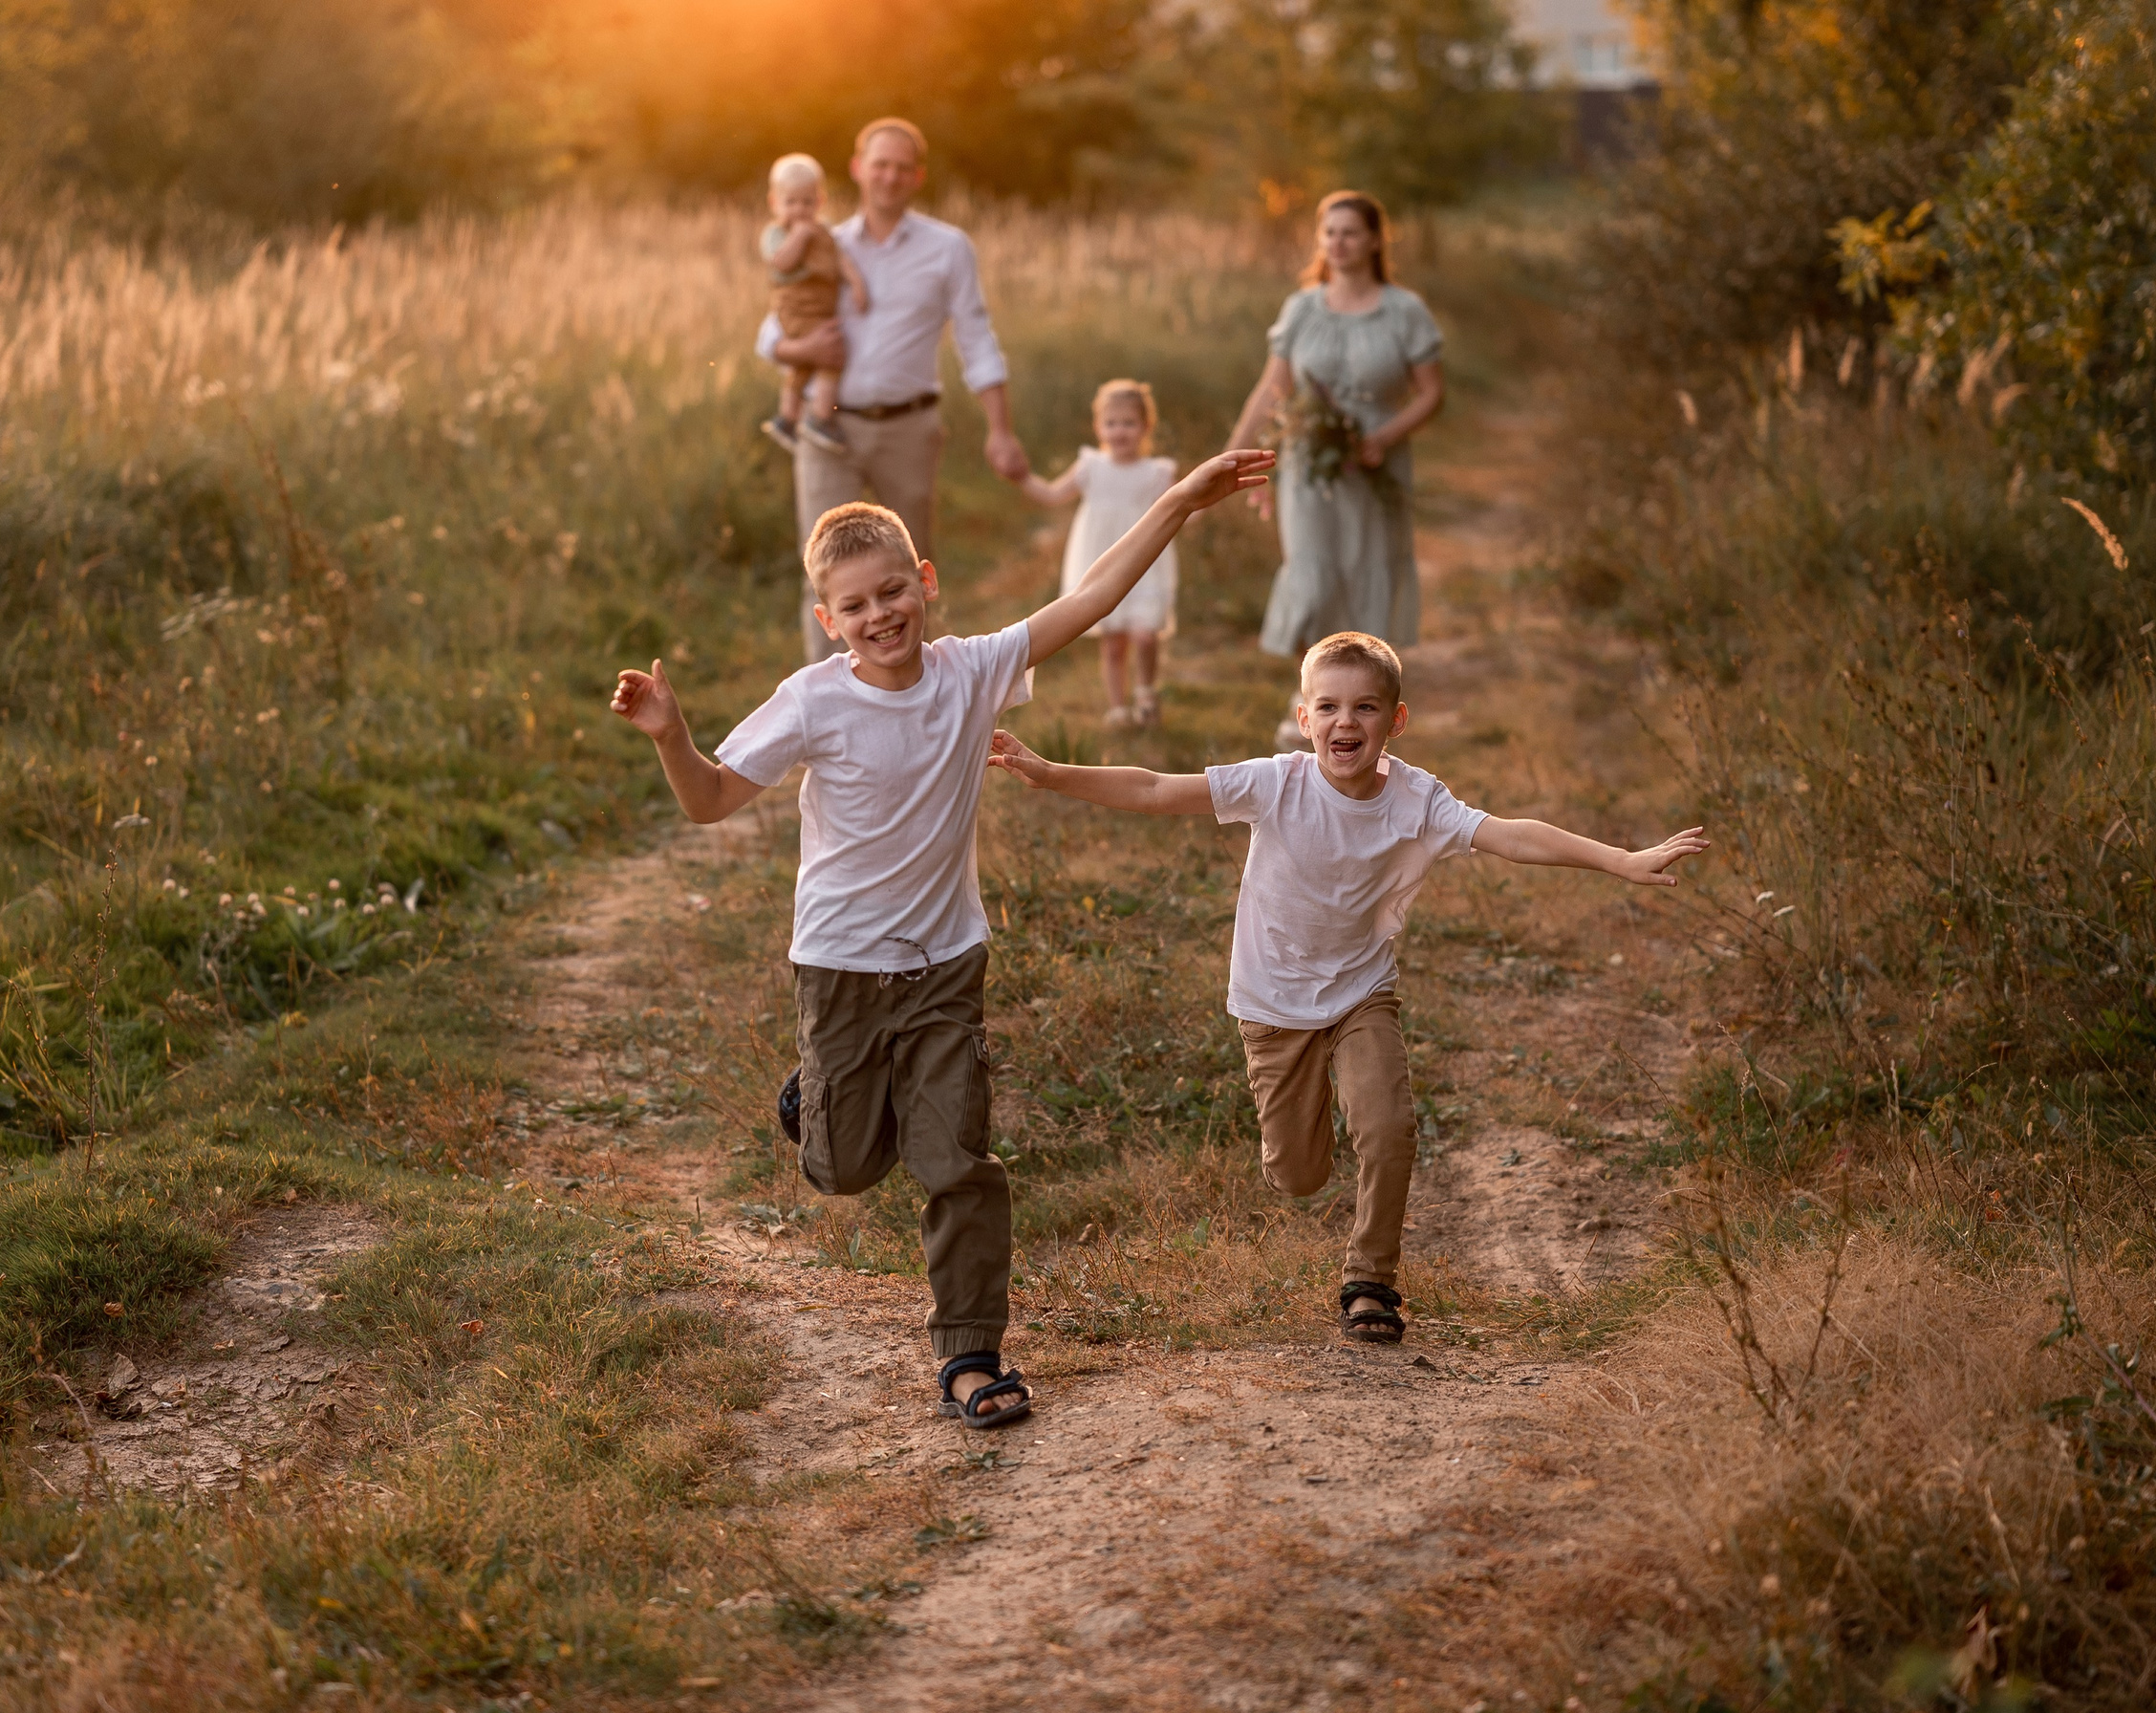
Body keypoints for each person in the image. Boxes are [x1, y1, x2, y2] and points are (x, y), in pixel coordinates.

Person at [610, 449, 1276, 1420]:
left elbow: (1090, 597)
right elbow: (711, 801)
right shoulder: (813, 699)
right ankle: (823, 1096)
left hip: (943, 966)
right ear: (826, 620)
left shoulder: (975, 670)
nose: (879, 615)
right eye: (855, 604)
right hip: (839, 970)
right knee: (844, 1171)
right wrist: (673, 735)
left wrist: (1177, 500)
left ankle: (971, 1356)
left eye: (893, 591)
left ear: (924, 584)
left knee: (958, 1162)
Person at [984, 631, 1708, 1344]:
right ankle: (1310, 1129)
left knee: (1388, 1128)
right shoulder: (1277, 784)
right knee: (1298, 1176)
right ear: (1304, 721)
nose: (1345, 722)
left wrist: (1619, 859)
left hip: (1362, 992)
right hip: (1273, 1006)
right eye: (1327, 707)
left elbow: (1512, 836)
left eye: (1365, 708)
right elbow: (1153, 787)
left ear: (1395, 721)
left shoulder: (1419, 801)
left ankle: (1370, 1280)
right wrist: (1050, 773)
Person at [756, 117, 1031, 662]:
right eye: (880, 165)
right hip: (827, 425)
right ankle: (830, 723)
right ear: (858, 170)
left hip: (910, 428)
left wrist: (1001, 430)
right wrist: (802, 353)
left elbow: (977, 340)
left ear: (917, 177)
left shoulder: (948, 248)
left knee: (908, 573)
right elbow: (771, 332)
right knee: (826, 574)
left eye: (902, 168)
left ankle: (911, 712)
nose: (890, 177)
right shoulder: (820, 241)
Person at [1225, 191, 1446, 748]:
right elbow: (1273, 390)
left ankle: (1365, 712)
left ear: (1374, 239)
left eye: (1350, 232)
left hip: (1376, 466)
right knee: (1313, 574)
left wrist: (1383, 437)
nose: (1338, 243)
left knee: (1364, 571)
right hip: (1309, 468)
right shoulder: (1302, 308)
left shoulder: (1404, 310)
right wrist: (1232, 456)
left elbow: (1431, 395)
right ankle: (1310, 703)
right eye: (1329, 233)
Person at [1018, 379, 1179, 729]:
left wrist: (1215, 491)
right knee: (1113, 643)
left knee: (1145, 635)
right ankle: (1118, 708)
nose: (1119, 431)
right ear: (1098, 427)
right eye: (1111, 423)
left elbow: (1185, 509)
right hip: (1101, 562)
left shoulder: (1157, 473)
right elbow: (1051, 493)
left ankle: (1146, 692)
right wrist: (1021, 477)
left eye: (1128, 423)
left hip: (1145, 564)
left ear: (1145, 427)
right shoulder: (1091, 467)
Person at [756, 153, 871, 456]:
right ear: (774, 203)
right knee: (831, 355)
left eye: (807, 202)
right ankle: (821, 417)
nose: (799, 209)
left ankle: (788, 419)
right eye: (791, 202)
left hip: (822, 307)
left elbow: (839, 259)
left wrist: (856, 282)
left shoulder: (825, 231)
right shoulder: (776, 234)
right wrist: (799, 235)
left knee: (805, 364)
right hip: (797, 308)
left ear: (819, 201)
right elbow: (781, 263)